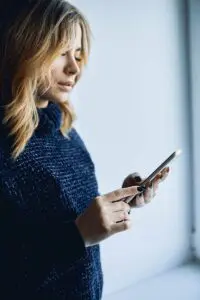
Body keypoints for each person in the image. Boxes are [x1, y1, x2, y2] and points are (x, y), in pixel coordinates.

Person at [0, 0, 170, 299]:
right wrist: (78, 236)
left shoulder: (64, 128)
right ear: (25, 49)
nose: (75, 67)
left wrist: (124, 201)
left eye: (78, 54)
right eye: (61, 52)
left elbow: (66, 218)